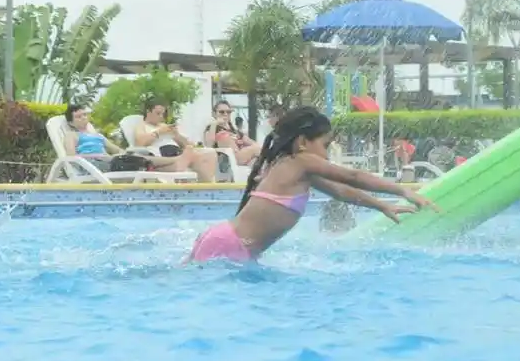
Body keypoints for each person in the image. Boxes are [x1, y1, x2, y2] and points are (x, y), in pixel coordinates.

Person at [186, 106, 438, 263]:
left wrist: (381, 205)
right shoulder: (300, 161)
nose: (327, 154)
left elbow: (341, 190)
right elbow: (352, 176)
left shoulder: (294, 166)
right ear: (304, 142)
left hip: (227, 243)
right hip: (228, 246)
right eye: (325, 145)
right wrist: (403, 190)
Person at [134, 98, 217, 182]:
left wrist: (177, 135)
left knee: (209, 155)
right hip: (162, 157)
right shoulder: (141, 126)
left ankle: (207, 188)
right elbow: (140, 142)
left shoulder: (164, 126)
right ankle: (209, 189)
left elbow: (187, 144)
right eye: (158, 113)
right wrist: (159, 132)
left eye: (163, 114)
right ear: (148, 111)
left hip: (178, 153)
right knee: (193, 155)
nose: (161, 117)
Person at [63, 104, 152, 173]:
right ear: (71, 123)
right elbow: (72, 157)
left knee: (136, 159)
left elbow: (117, 150)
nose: (83, 118)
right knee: (136, 163)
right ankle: (146, 166)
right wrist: (98, 156)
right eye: (78, 117)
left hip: (107, 161)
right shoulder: (72, 135)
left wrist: (125, 154)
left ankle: (148, 165)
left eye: (84, 115)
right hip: (91, 165)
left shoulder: (98, 136)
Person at [203, 99, 262, 165]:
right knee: (257, 150)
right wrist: (215, 123)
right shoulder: (212, 128)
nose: (225, 114)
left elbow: (252, 143)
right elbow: (209, 146)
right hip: (230, 160)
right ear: (214, 113)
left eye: (228, 112)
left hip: (243, 158)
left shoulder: (234, 130)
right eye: (221, 112)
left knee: (258, 157)